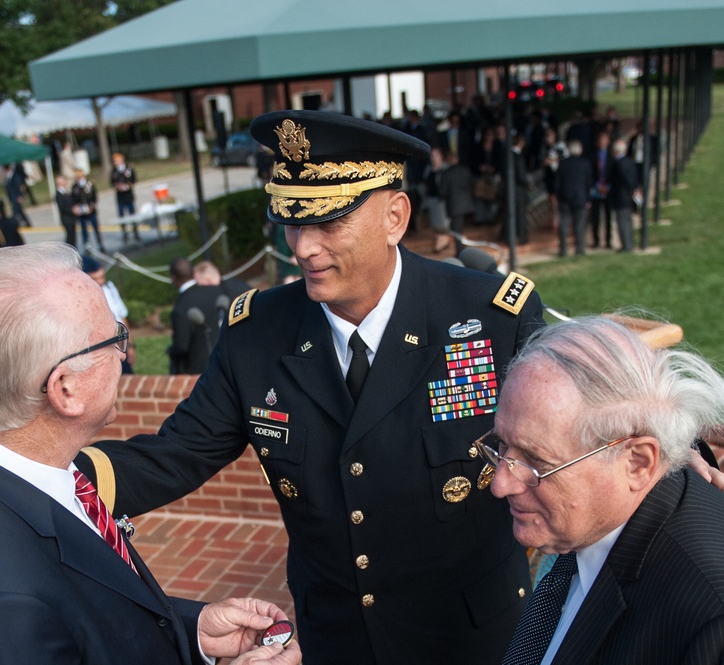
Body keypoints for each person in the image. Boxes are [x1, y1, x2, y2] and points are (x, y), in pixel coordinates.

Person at [75, 110, 546, 665]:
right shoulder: (258, 333)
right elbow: (178, 453)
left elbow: (566, 448)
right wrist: (39, 477)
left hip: (471, 637)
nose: (302, 249)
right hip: (336, 637)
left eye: (329, 223)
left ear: (395, 216)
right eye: (292, 223)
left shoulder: (489, 316)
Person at [0, 243, 301, 665]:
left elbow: (95, 625)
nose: (122, 353)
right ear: (65, 390)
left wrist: (195, 630)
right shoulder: (0, 611)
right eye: (114, 338)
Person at [487, 316, 724, 664]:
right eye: (502, 446)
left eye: (537, 462)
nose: (499, 484)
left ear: (638, 463)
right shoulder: (596, 520)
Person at [166, 256, 224, 375]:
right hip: (225, 360)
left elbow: (181, 346)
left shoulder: (181, 306)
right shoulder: (216, 291)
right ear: (193, 273)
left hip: (198, 372)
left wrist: (171, 351)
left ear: (174, 278)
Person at [83, 254, 136, 374]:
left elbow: (122, 317)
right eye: (95, 279)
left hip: (120, 344)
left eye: (102, 277)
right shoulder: (84, 299)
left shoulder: (110, 288)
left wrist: (130, 345)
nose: (101, 281)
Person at [553, 140, 593, 257]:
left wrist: (559, 196)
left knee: (564, 225)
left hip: (565, 198)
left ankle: (563, 250)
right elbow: (588, 182)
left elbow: (557, 183)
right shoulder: (585, 163)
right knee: (579, 225)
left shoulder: (563, 164)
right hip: (580, 198)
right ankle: (579, 248)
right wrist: (588, 199)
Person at [607, 139, 639, 253]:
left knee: (622, 222)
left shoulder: (618, 164)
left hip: (621, 197)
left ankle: (626, 246)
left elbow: (621, 180)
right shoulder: (629, 161)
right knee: (627, 221)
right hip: (627, 196)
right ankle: (629, 243)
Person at [72, 168, 105, 253]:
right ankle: (87, 246)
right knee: (84, 230)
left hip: (91, 211)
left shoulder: (89, 184)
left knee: (96, 228)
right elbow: (74, 199)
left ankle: (100, 244)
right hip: (82, 212)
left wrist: (91, 206)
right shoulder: (75, 187)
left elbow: (94, 197)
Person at [111, 152, 140, 242]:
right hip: (120, 196)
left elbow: (134, 180)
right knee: (122, 216)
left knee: (132, 214)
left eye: (117, 160)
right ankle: (124, 234)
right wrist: (118, 186)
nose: (115, 162)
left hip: (128, 195)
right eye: (114, 161)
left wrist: (128, 185)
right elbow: (113, 182)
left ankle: (136, 232)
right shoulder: (114, 171)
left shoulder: (128, 169)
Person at [3, 163, 32, 227]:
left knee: (15, 211)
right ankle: (27, 222)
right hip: (12, 197)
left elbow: (19, 187)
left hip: (16, 196)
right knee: (19, 211)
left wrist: (20, 195)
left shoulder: (15, 176)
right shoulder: (9, 177)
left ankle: (14, 223)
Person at [55, 175, 77, 248]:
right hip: (66, 218)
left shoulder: (65, 192)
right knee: (70, 237)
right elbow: (62, 207)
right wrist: (71, 209)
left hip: (71, 218)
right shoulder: (59, 194)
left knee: (73, 236)